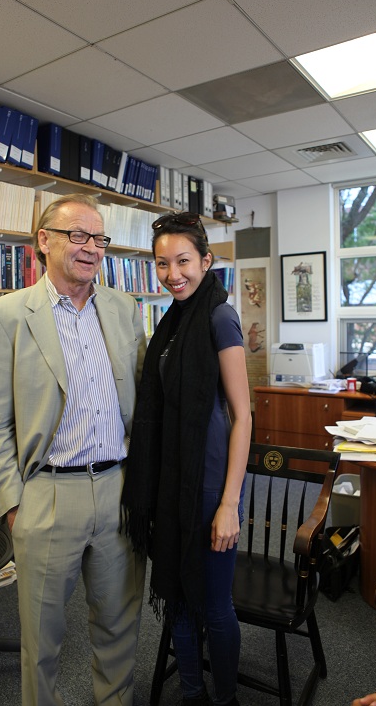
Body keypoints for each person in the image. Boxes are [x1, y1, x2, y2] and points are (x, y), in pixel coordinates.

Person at [0, 194, 147, 706]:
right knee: (43, 644)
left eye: (99, 238)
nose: (90, 248)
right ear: (43, 242)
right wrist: (13, 506)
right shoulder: (6, 316)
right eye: (77, 235)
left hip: (117, 490)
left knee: (120, 631)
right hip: (47, 494)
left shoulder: (123, 309)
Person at [121, 212, 252, 706]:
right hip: (170, 485)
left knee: (215, 607)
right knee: (175, 596)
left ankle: (225, 699)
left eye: (183, 261)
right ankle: (193, 694)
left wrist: (229, 504)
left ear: (206, 261)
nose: (173, 274)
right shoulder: (172, 321)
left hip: (208, 486)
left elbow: (243, 417)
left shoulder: (220, 316)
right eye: (161, 263)